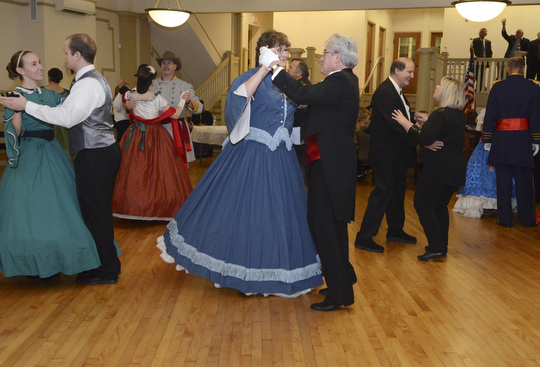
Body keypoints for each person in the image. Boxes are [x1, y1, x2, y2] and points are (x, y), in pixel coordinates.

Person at [157, 29, 323, 298]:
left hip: (281, 156)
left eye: (285, 50)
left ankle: (281, 269)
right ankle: (238, 267)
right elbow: (239, 99)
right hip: (254, 154)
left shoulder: (285, 80)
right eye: (280, 50)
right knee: (248, 211)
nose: (285, 55)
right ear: (267, 50)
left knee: (281, 213)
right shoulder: (250, 77)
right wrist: (263, 67)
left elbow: (298, 106)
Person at [0, 34, 122, 284]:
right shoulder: (86, 81)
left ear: (77, 55)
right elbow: (19, 130)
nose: (42, 66)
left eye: (65, 52)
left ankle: (103, 268)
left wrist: (27, 106)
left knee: (89, 211)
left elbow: (66, 117)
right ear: (19, 70)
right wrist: (17, 111)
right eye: (33, 63)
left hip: (81, 154)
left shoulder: (79, 86)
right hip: (38, 156)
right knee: (76, 210)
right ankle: (90, 265)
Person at [268, 34, 359, 311]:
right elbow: (312, 112)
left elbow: (301, 94)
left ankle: (338, 293)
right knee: (326, 228)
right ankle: (342, 282)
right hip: (328, 166)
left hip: (331, 169)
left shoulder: (340, 81)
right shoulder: (340, 82)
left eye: (325, 52)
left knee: (326, 230)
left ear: (338, 58)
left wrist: (275, 69)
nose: (321, 57)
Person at [392, 76, 467, 261]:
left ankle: (435, 246)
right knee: (439, 207)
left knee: (423, 204)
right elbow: (441, 131)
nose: (436, 87)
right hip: (454, 168)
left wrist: (404, 121)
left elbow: (425, 138)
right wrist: (428, 120)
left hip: (439, 169)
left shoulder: (440, 114)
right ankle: (441, 246)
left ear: (447, 91)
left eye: (440, 85)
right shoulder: (457, 114)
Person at [353, 58, 420, 253]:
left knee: (397, 193)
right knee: (382, 194)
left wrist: (415, 116)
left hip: (396, 153)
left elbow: (402, 115)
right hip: (386, 154)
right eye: (409, 71)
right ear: (397, 70)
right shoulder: (384, 92)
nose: (412, 76)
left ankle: (395, 230)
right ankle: (364, 237)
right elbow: (396, 123)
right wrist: (419, 137)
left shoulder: (395, 90)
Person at [112, 65, 192, 220]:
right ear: (152, 82)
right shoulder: (157, 99)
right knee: (159, 171)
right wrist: (182, 101)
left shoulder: (130, 96)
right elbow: (175, 115)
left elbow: (123, 93)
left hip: (135, 136)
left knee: (134, 170)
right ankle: (158, 205)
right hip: (156, 136)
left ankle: (132, 206)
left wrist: (121, 86)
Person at [482, 57, 540, 227]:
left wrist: (488, 138)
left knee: (503, 183)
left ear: (508, 69)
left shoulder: (498, 87)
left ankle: (505, 219)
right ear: (523, 68)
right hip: (523, 140)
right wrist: (536, 140)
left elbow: (490, 115)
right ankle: (527, 219)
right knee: (524, 183)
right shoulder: (533, 88)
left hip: (501, 140)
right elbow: (536, 116)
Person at [152, 51, 202, 165]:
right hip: (157, 130)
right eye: (163, 63)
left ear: (175, 66)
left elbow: (199, 109)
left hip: (178, 130)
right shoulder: (152, 85)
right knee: (159, 165)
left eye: (169, 63)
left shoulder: (185, 86)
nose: (166, 65)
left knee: (178, 166)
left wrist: (189, 101)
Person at [287, 58, 311, 178]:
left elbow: (302, 102)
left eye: (291, 67)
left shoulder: (302, 86)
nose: (288, 69)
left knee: (298, 159)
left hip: (298, 128)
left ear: (299, 73)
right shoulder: (300, 84)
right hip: (297, 127)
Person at [43, 67, 70, 159]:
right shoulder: (67, 92)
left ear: (49, 78)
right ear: (60, 79)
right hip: (63, 126)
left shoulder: (41, 91)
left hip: (46, 125)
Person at [112, 77, 130, 142]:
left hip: (129, 124)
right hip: (122, 125)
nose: (129, 91)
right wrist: (121, 91)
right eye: (127, 89)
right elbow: (117, 107)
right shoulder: (117, 101)